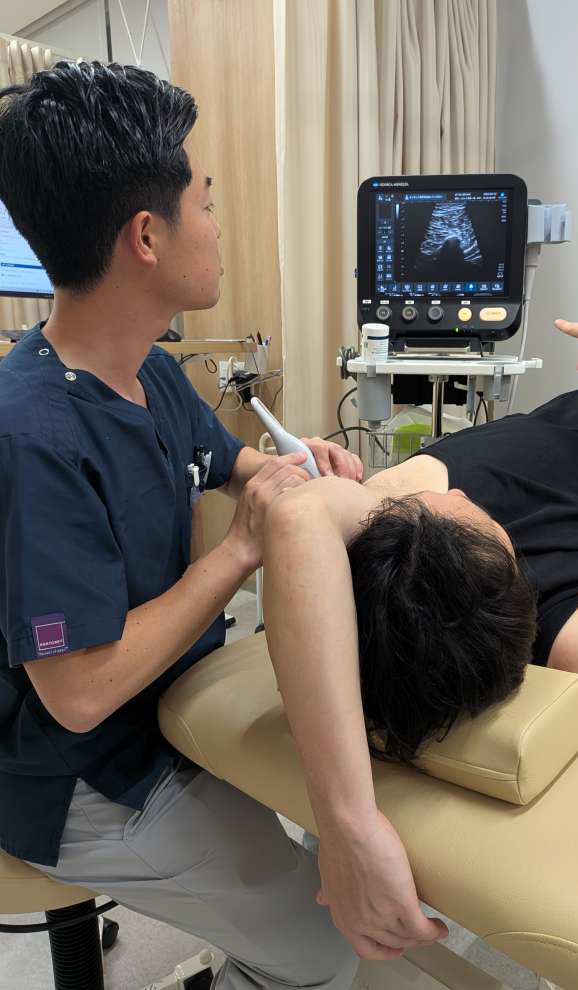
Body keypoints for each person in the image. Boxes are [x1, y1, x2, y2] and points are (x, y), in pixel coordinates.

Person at [0, 59, 383, 990]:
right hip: (81, 773)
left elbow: (226, 463)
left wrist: (292, 466)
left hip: (172, 701)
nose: (216, 226)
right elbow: (78, 694)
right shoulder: (32, 435)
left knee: (347, 797)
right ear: (146, 235)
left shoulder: (153, 372)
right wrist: (241, 550)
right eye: (204, 202)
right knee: (332, 946)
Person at [260, 319, 578, 949]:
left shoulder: (390, 528)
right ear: (497, 578)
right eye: (460, 512)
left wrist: (347, 825)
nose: (454, 488)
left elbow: (297, 518)